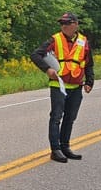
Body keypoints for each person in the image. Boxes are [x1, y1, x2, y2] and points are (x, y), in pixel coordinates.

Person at [30, 12, 94, 163]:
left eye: (67, 23)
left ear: (75, 24)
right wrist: (47, 69)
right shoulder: (55, 39)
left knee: (70, 118)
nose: (63, 26)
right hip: (58, 84)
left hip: (76, 86)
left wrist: (90, 81)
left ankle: (65, 147)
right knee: (56, 117)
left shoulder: (84, 42)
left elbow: (89, 63)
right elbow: (35, 55)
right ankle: (56, 149)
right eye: (62, 24)